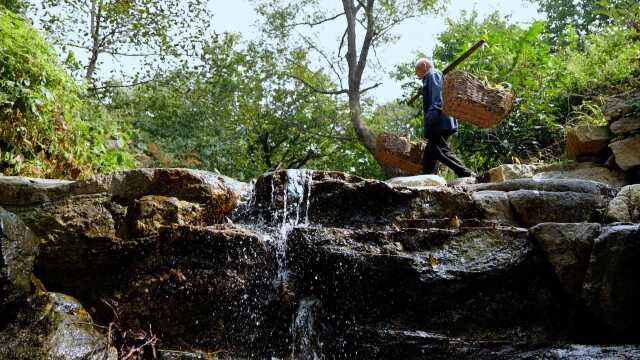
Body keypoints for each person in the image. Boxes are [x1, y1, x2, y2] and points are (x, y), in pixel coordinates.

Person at [415, 58, 475, 178]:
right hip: (440, 119)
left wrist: (430, 120)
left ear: (425, 65)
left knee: (439, 149)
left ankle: (467, 174)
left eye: (418, 72)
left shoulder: (433, 74)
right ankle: (426, 180)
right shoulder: (430, 77)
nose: (418, 76)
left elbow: (438, 98)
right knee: (429, 155)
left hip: (439, 120)